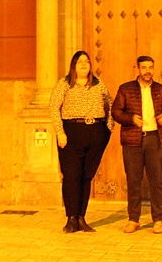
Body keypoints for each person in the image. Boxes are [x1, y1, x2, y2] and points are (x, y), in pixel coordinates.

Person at [49, 50, 113, 233]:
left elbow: (109, 105)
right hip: (71, 132)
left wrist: (107, 131)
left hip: (95, 132)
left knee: (86, 177)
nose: (84, 64)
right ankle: (71, 218)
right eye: (79, 62)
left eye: (87, 61)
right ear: (74, 65)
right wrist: (60, 132)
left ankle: (82, 218)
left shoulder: (98, 84)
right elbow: (54, 107)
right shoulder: (64, 84)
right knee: (71, 177)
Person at [111, 55, 162, 233]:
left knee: (157, 180)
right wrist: (131, 118)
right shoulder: (126, 89)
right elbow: (116, 112)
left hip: (155, 139)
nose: (148, 71)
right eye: (144, 67)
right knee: (134, 181)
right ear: (138, 69)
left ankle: (158, 220)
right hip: (133, 140)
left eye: (150, 67)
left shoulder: (161, 90)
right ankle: (133, 219)